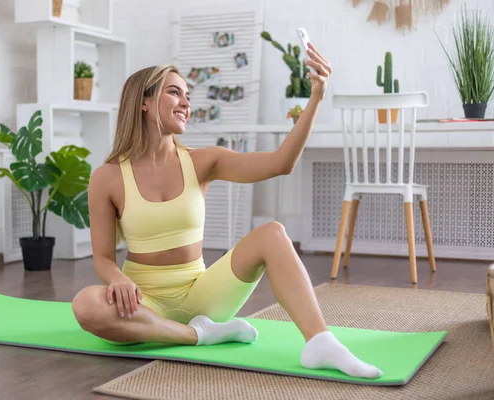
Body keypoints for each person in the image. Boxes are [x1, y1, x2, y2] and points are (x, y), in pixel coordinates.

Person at [72, 43, 382, 379]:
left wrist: (317, 97)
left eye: (188, 95)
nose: (186, 103)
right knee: (85, 305)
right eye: (175, 92)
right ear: (144, 102)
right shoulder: (108, 176)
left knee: (273, 233)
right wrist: (118, 281)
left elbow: (281, 163)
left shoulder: (203, 162)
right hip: (142, 305)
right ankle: (199, 335)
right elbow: (103, 258)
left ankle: (320, 342)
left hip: (204, 298)